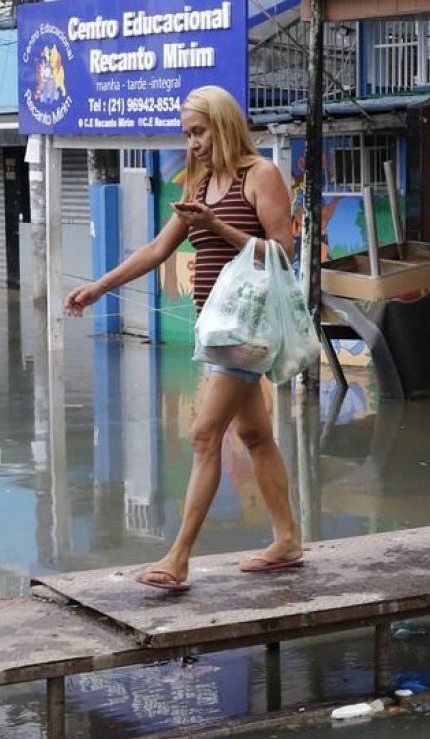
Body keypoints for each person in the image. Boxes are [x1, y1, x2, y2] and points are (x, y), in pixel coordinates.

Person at [64, 86, 302, 590]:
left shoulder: (259, 175)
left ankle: (178, 558)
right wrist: (97, 288)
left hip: (249, 327)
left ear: (224, 125)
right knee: (255, 435)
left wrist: (219, 226)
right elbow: (155, 248)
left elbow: (283, 250)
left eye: (199, 131)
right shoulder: (198, 183)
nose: (192, 143)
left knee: (201, 436)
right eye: (188, 133)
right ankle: (287, 540)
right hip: (216, 329)